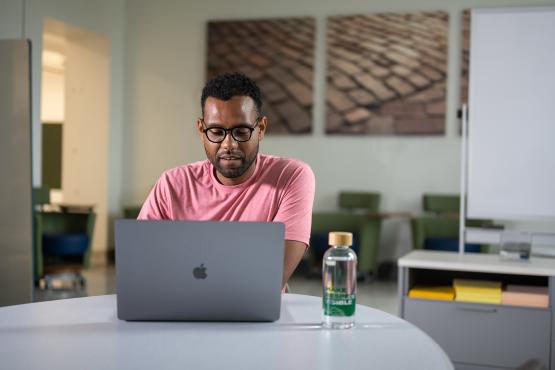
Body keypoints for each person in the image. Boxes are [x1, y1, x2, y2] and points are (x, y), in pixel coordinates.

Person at [138, 73, 315, 289]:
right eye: (216, 131)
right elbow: (142, 267)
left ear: (261, 129)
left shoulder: (291, 177)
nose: (228, 144)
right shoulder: (171, 184)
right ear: (201, 130)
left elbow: (271, 279)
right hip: (178, 314)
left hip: (254, 318)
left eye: (241, 131)